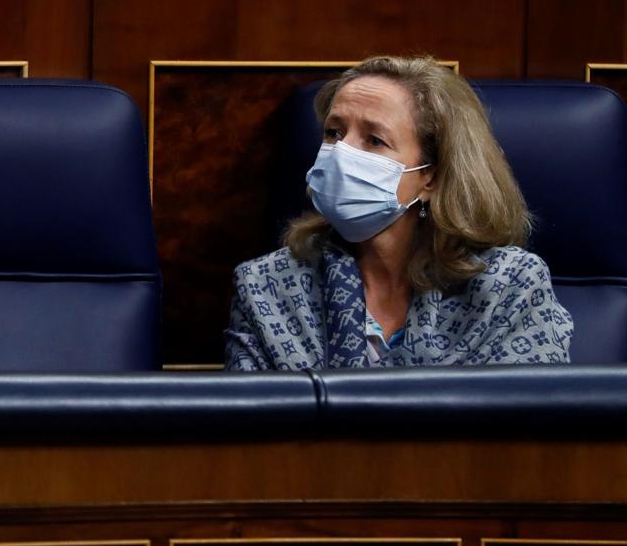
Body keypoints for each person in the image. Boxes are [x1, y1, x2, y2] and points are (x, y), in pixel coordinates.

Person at [225, 56, 572, 370]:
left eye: (374, 140)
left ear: (430, 177)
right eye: (334, 132)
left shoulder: (509, 288)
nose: (341, 153)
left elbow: (534, 431)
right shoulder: (264, 288)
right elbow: (247, 432)